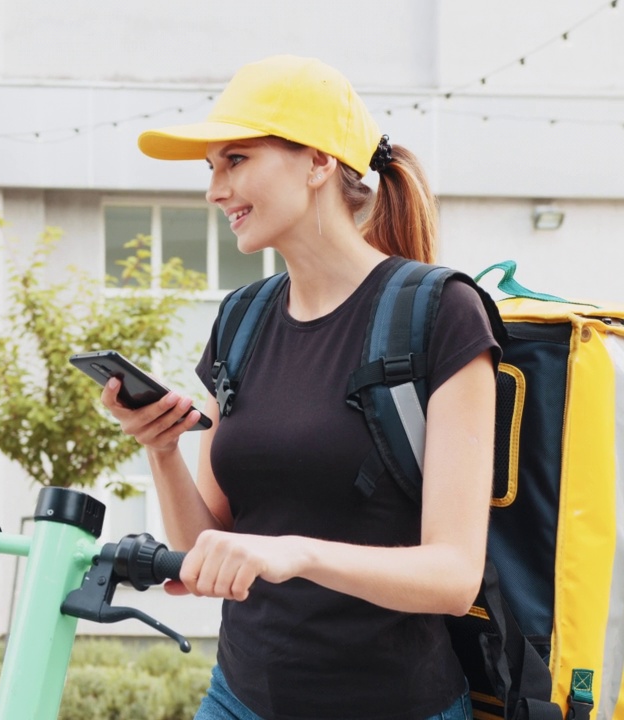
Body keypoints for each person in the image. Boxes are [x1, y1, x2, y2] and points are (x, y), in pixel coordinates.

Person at [100, 55, 499, 720]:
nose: (214, 190)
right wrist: (161, 450)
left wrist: (295, 553)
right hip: (241, 696)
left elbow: (454, 578)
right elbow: (207, 551)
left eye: (236, 160)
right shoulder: (242, 319)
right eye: (212, 169)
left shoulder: (441, 314)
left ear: (316, 163)